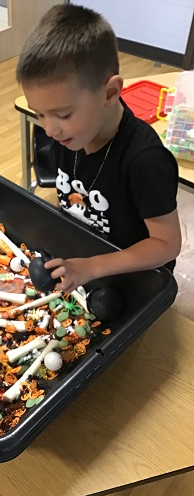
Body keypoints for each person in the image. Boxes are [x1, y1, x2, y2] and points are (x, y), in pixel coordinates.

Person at [16, 3, 181, 293]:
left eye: (63, 115)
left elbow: (167, 245)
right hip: (85, 268)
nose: (50, 129)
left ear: (110, 93)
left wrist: (92, 267)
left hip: (135, 278)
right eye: (39, 114)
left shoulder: (145, 161)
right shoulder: (69, 136)